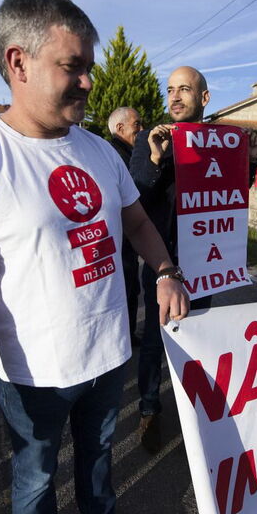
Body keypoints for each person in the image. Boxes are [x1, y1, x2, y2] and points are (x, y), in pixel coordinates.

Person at [0, 0, 188, 514]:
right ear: (19, 62)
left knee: (99, 456)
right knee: (36, 479)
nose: (88, 82)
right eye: (73, 66)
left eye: (89, 67)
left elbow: (136, 223)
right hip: (33, 374)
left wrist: (165, 269)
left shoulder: (101, 151)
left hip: (109, 354)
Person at [129, 66, 257, 453]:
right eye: (170, 90)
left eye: (184, 89)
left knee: (198, 339)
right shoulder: (148, 140)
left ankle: (193, 411)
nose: (174, 97)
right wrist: (154, 159)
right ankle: (149, 409)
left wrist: (248, 161)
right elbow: (136, 199)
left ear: (204, 98)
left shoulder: (224, 141)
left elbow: (231, 192)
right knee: (155, 342)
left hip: (206, 263)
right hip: (163, 263)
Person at [108, 106, 144, 346]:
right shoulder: (115, 156)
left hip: (126, 239)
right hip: (119, 239)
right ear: (120, 128)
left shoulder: (127, 152)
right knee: (125, 289)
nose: (142, 130)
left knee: (131, 288)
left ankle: (126, 336)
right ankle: (121, 339)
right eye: (137, 125)